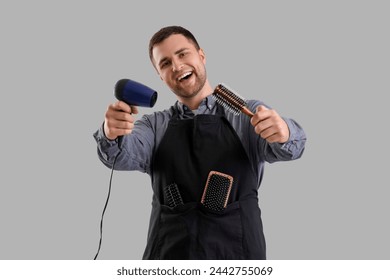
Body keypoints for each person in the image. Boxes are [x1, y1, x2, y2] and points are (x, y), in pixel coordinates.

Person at [93, 26, 306, 260]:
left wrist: (283, 132)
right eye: (165, 63)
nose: (176, 66)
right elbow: (119, 155)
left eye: (183, 54)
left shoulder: (247, 116)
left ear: (201, 55)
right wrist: (111, 132)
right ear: (160, 76)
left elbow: (291, 148)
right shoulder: (154, 126)